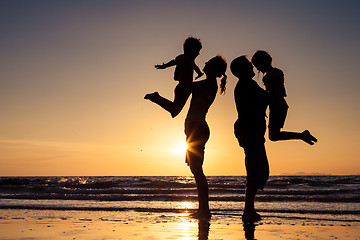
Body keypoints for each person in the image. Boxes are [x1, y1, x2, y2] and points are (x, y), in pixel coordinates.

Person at [185, 55, 227, 220]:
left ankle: (205, 210)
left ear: (214, 69)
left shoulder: (208, 84)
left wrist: (187, 63)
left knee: (197, 171)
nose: (205, 63)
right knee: (195, 170)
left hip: (197, 129)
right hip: (194, 129)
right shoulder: (208, 83)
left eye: (208, 63)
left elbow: (187, 86)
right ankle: (202, 209)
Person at [251, 50, 317, 145]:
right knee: (273, 136)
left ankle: (302, 135)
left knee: (274, 136)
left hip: (279, 105)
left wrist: (275, 102)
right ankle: (302, 136)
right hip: (276, 105)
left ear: (263, 62)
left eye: (257, 65)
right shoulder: (271, 74)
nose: (257, 69)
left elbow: (277, 90)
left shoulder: (274, 73)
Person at [231, 56, 269, 222]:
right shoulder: (247, 84)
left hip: (248, 130)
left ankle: (249, 210)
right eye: (248, 65)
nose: (252, 67)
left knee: (255, 170)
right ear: (240, 71)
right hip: (250, 130)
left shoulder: (246, 85)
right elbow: (266, 98)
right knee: (257, 170)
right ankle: (248, 211)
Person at [144, 36, 203, 118]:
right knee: (174, 110)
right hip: (183, 88)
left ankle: (156, 97)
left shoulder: (190, 60)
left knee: (174, 110)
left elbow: (195, 67)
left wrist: (200, 73)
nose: (198, 53)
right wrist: (164, 66)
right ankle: (155, 97)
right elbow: (174, 62)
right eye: (197, 51)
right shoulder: (183, 58)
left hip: (184, 88)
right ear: (191, 50)